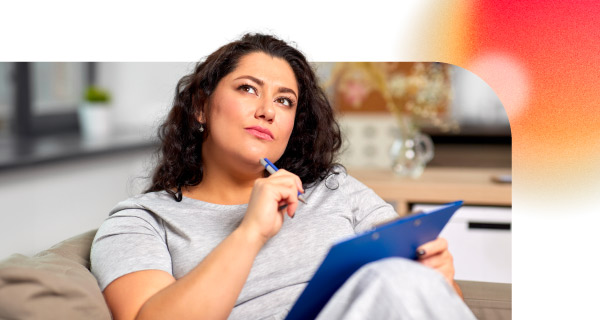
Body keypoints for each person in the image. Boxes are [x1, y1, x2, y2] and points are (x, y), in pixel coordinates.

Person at [90, 33, 475, 320]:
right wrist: (249, 232)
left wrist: (440, 274)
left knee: (399, 278)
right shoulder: (140, 221)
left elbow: (427, 300)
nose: (267, 111)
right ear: (200, 107)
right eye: (247, 89)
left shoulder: (335, 190)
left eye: (284, 100)